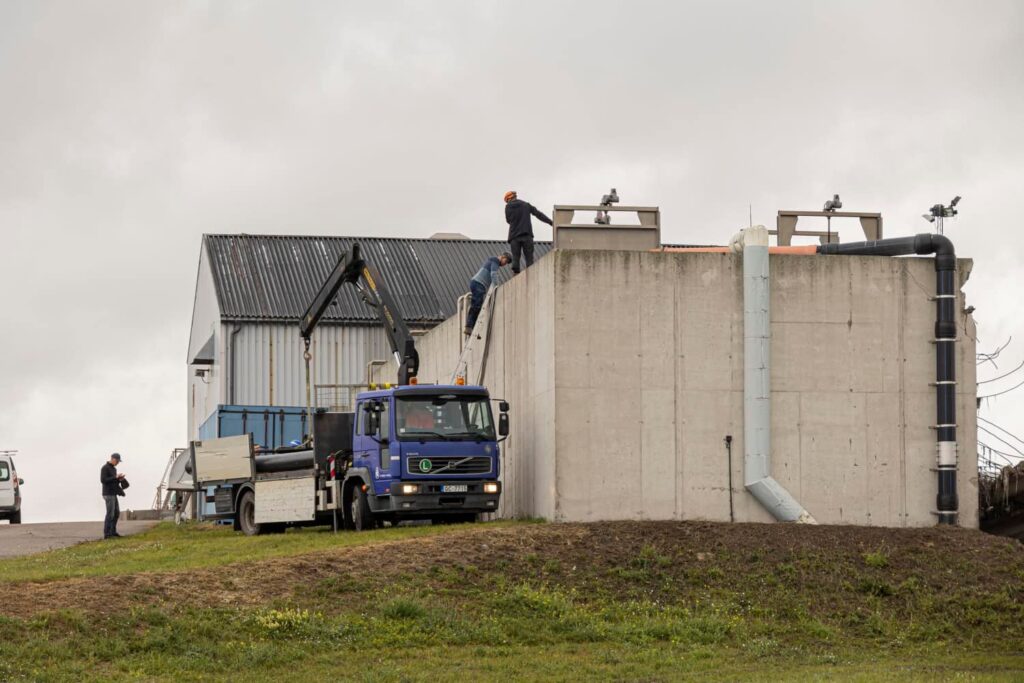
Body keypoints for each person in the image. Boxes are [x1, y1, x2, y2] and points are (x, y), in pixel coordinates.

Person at [504, 190, 552, 274]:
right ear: (515, 197)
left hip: (514, 236)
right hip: (527, 235)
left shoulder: (508, 207)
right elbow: (538, 214)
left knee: (516, 258)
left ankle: (516, 274)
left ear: (508, 199)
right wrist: (551, 222)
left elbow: (508, 220)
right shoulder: (526, 205)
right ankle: (531, 275)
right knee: (529, 259)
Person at [465, 251, 512, 336]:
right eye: (506, 261)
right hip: (478, 284)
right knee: (476, 306)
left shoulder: (493, 261)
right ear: (502, 257)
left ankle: (472, 328)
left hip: (478, 284)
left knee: (477, 307)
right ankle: (469, 326)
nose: (505, 264)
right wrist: (497, 286)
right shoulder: (495, 261)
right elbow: (493, 274)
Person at [100, 453, 129, 539]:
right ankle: (107, 534)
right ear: (112, 459)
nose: (117, 463)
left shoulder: (114, 469)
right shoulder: (105, 468)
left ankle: (113, 532)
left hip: (113, 493)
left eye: (118, 461)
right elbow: (103, 480)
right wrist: (115, 477)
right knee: (110, 514)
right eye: (117, 461)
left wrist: (119, 479)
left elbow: (113, 481)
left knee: (116, 513)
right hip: (108, 494)